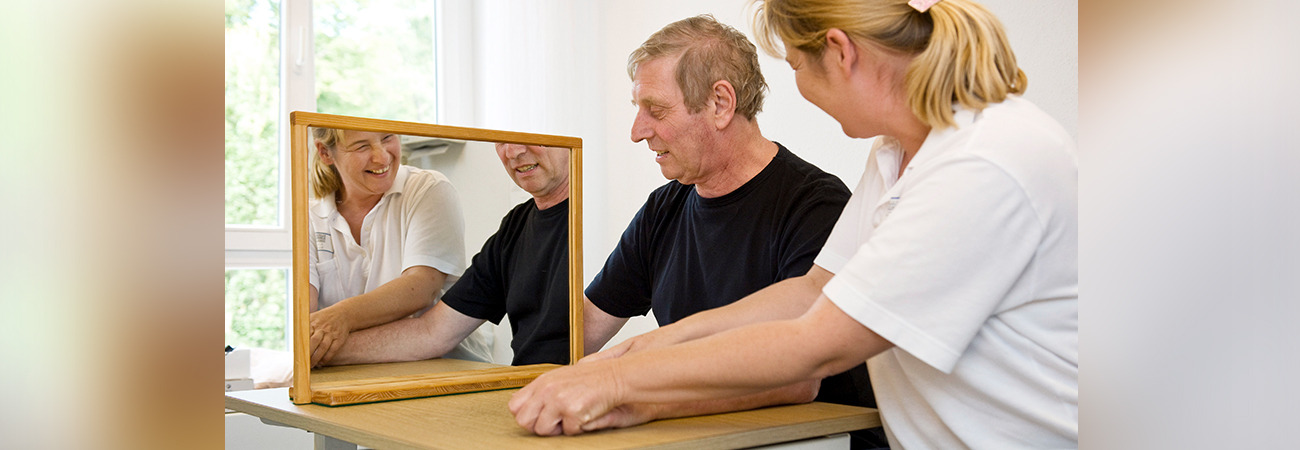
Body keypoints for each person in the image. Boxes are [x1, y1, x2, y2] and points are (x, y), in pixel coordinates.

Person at [510, 0, 1079, 448]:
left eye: (799, 67)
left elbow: (815, 345)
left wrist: (614, 385)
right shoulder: (898, 154)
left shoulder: (983, 162)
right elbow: (813, 291)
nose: (802, 91)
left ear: (839, 52)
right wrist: (643, 350)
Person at [578, 15, 883, 443]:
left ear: (721, 104)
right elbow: (584, 328)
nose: (637, 132)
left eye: (656, 110)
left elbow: (793, 377)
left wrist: (627, 388)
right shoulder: (664, 208)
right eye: (637, 110)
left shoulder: (816, 205)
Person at [314, 142, 572, 366]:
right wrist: (319, 350)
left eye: (534, 138)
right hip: (530, 395)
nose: (513, 152)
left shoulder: (594, 215)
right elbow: (433, 332)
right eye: (502, 141)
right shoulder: (516, 226)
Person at [307, 127, 491, 366]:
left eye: (388, 139)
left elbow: (421, 288)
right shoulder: (309, 217)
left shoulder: (428, 189)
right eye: (362, 146)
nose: (382, 157)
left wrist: (341, 317)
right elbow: (307, 321)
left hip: (445, 369)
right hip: (355, 374)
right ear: (325, 152)